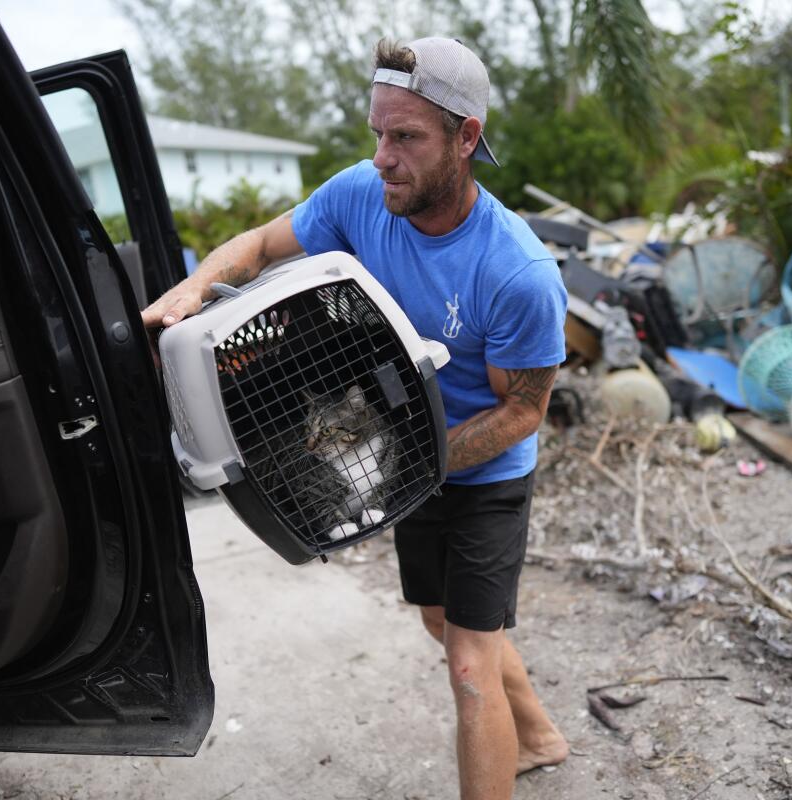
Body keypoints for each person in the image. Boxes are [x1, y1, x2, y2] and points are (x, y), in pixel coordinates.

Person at [142, 36, 569, 800]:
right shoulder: (359, 196)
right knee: (443, 620)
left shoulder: (519, 272)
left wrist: (415, 459)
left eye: (405, 137)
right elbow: (261, 245)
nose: (383, 157)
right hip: (407, 455)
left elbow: (521, 413)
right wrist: (195, 288)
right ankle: (538, 735)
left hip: (482, 471)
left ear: (467, 138)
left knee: (469, 665)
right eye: (377, 131)